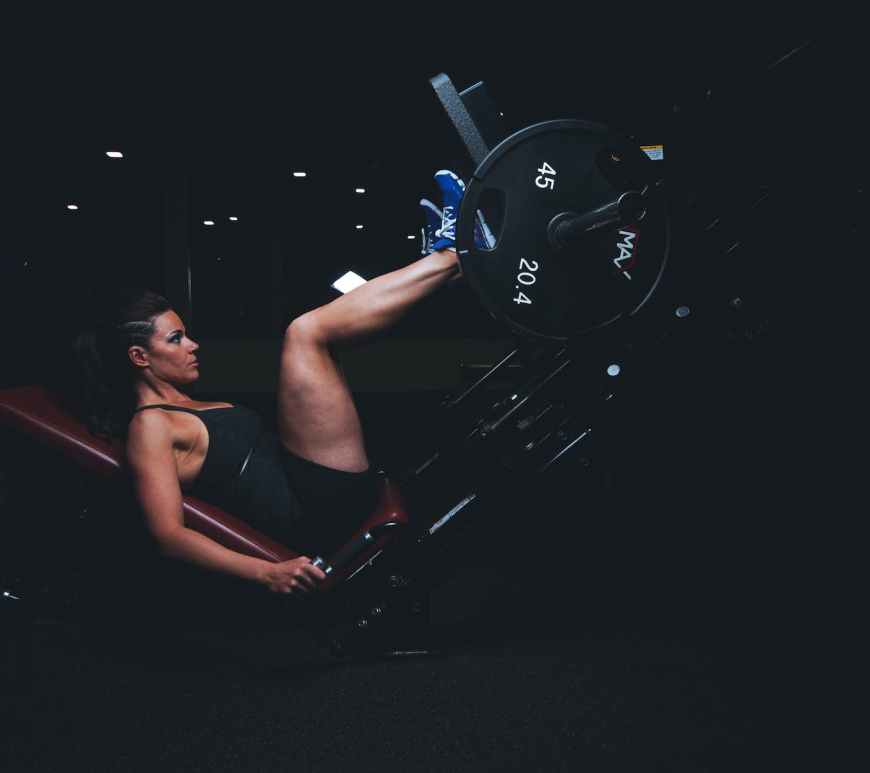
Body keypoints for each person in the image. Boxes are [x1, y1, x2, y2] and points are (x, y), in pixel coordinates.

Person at [68, 171, 480, 598]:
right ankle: (454, 253)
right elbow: (168, 535)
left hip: (311, 484)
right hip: (315, 510)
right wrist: (267, 572)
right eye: (175, 339)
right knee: (306, 334)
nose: (192, 345)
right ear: (139, 358)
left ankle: (447, 268)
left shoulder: (183, 405)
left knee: (320, 342)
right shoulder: (149, 426)